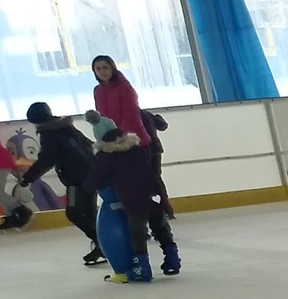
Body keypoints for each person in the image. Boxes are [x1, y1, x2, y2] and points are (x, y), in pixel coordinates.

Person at [84, 127, 179, 281]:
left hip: (134, 199)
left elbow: (95, 179)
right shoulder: (138, 150)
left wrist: (87, 186)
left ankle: (142, 268)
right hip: (154, 194)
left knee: (137, 233)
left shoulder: (107, 156)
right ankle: (173, 260)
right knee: (160, 227)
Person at [18, 102, 100, 265]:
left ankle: (103, 243)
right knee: (90, 213)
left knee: (74, 213)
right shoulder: (66, 127)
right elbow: (89, 145)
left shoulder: (50, 134)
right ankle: (104, 245)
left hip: (76, 179)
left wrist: (27, 179)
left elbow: (46, 160)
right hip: (91, 174)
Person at [91, 56, 150, 148]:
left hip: (133, 141)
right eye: (98, 69)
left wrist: (120, 136)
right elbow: (101, 117)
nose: (102, 72)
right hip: (111, 142)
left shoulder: (124, 87)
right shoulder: (98, 91)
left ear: (112, 68)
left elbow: (131, 115)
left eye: (105, 68)